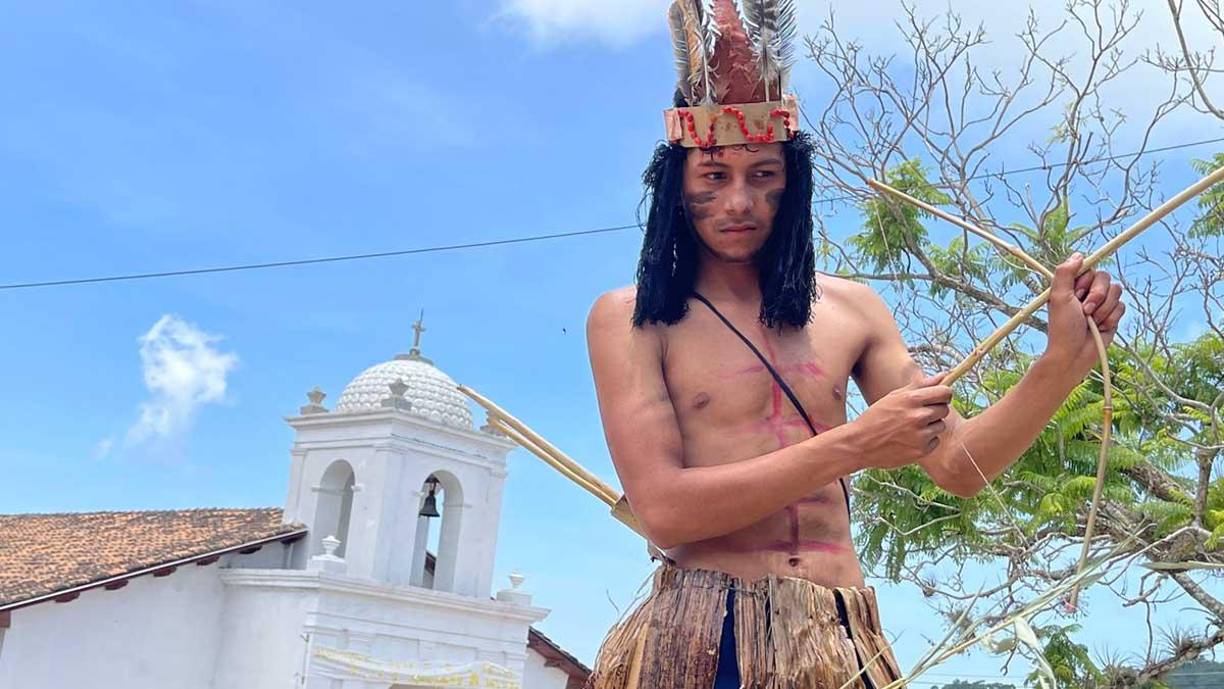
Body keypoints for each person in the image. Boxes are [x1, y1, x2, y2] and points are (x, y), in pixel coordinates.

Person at [583, 2, 1126, 688]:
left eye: (763, 175)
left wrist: (1059, 364)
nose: (740, 201)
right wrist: (857, 444)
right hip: (703, 637)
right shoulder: (633, 317)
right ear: (677, 187)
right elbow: (663, 508)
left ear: (793, 182)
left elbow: (958, 465)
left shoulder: (852, 310)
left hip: (838, 636)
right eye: (714, 177)